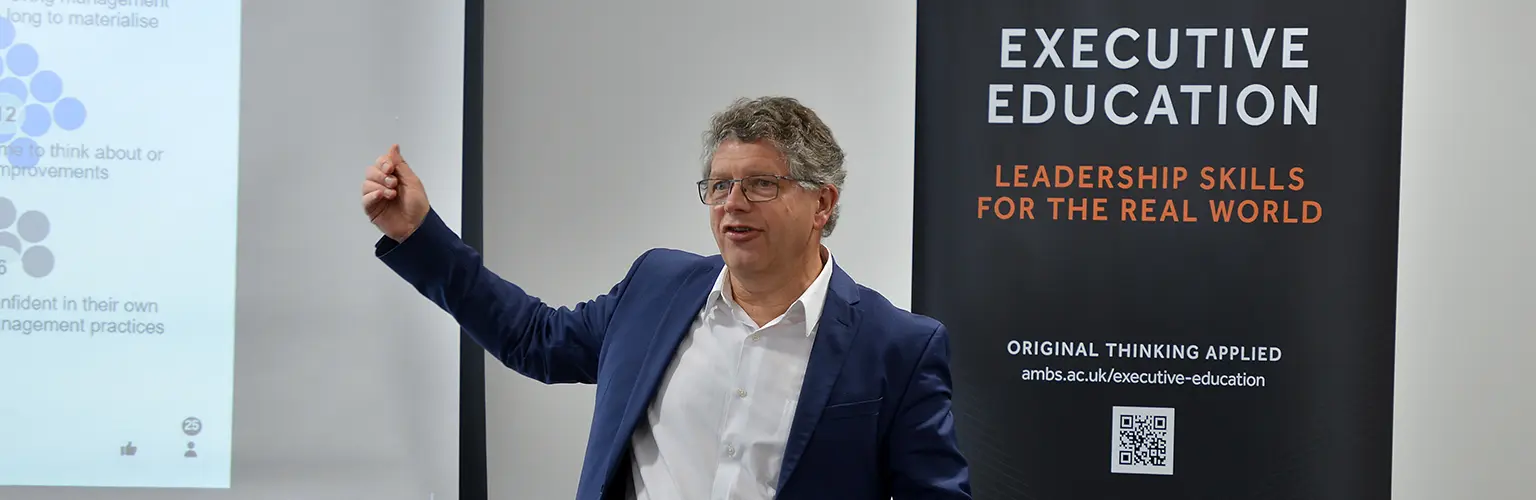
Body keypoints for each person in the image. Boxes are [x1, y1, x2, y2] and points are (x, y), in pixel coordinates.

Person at [360, 96, 971, 500]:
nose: (733, 203)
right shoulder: (656, 287)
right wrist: (420, 235)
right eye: (719, 185)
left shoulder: (899, 346)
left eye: (761, 183)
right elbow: (536, 340)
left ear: (823, 204)